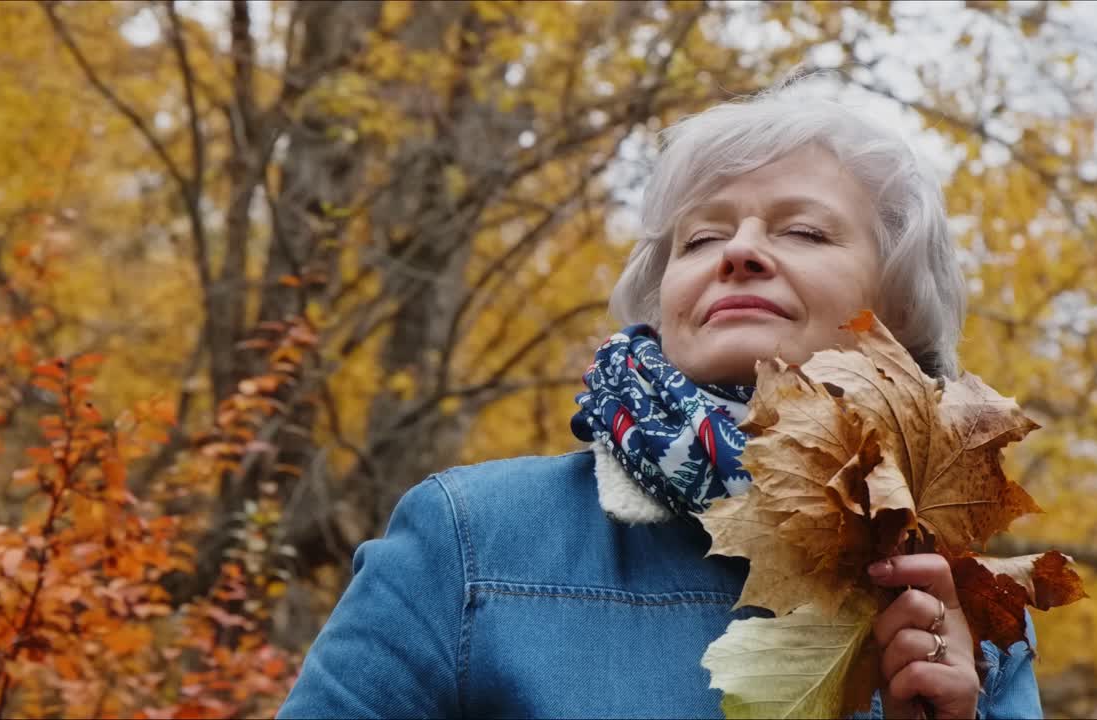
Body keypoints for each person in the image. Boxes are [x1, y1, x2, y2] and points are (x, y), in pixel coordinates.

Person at [277, 76, 1042, 719]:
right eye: (701, 239)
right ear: (664, 301)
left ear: (900, 310)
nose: (740, 250)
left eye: (804, 232)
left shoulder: (964, 607)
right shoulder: (471, 544)